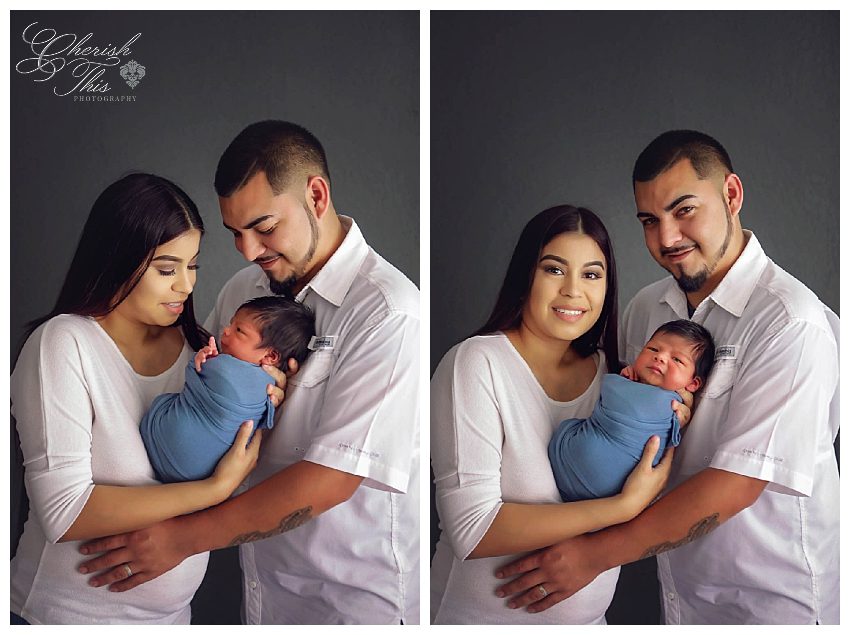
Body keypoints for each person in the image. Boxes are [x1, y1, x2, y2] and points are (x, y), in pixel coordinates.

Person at [76, 121, 421, 625]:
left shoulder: (388, 312)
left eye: (264, 227)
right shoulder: (244, 289)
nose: (248, 250)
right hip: (264, 594)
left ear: (317, 196)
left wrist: (180, 539)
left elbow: (333, 480)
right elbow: (191, 389)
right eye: (235, 233)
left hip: (354, 603)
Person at [494, 130, 839, 625]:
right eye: (649, 221)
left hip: (773, 601)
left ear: (732, 195)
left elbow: (738, 484)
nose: (667, 239)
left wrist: (593, 554)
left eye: (684, 211)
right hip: (681, 595)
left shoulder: (790, 321)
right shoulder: (645, 309)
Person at [10, 173, 262, 624]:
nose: (185, 286)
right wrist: (212, 489)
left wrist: (265, 396)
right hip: (62, 618)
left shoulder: (203, 356)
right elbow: (64, 512)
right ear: (117, 260)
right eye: (167, 270)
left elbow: (243, 470)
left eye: (193, 266)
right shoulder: (64, 343)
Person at [430, 205, 680, 624]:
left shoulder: (617, 378)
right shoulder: (476, 363)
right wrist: (623, 507)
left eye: (591, 274)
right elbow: (473, 529)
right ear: (526, 275)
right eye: (554, 269)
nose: (573, 292)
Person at [141, 295, 315, 483]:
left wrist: (200, 359)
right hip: (201, 474)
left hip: (158, 442)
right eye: (231, 324)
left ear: (271, 355)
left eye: (239, 330)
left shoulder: (223, 367)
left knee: (163, 401)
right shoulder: (270, 388)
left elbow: (195, 372)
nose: (226, 331)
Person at [549, 319, 714, 502]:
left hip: (603, 483)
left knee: (567, 426)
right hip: (582, 479)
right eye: (653, 349)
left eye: (676, 359)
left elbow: (610, 388)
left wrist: (621, 383)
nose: (660, 357)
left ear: (693, 384)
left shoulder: (668, 405)